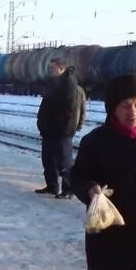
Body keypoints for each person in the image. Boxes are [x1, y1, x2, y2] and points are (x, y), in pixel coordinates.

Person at [70, 73, 136, 270]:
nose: (133, 112)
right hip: (107, 228)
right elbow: (78, 175)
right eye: (126, 105)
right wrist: (90, 187)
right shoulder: (95, 141)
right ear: (113, 108)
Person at [35, 57, 82, 199]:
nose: (49, 71)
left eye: (52, 68)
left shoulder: (68, 84)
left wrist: (62, 128)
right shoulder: (55, 82)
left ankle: (69, 189)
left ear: (61, 69)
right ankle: (52, 186)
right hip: (49, 130)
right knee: (48, 160)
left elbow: (68, 110)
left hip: (61, 131)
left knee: (64, 162)